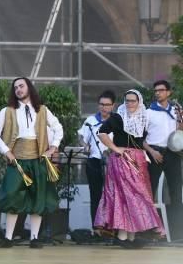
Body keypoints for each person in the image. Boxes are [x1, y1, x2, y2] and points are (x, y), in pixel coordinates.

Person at [0, 77, 63, 248]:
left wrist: (53, 147)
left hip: (38, 160)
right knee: (11, 195)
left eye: (21, 86)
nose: (18, 89)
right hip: (16, 161)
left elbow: (58, 128)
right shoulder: (7, 111)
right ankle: (8, 238)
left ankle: (34, 238)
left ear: (29, 87)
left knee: (38, 197)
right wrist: (6, 151)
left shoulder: (43, 110)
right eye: (15, 87)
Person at [95, 90, 164, 248]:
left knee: (137, 197)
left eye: (133, 101)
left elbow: (141, 140)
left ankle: (130, 237)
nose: (129, 104)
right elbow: (101, 133)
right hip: (122, 160)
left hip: (139, 160)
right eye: (127, 101)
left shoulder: (144, 116)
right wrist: (116, 148)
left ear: (138, 101)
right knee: (125, 197)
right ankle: (122, 236)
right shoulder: (118, 117)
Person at [144, 80, 183, 232]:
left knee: (176, 191)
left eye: (161, 90)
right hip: (154, 153)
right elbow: (139, 138)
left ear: (169, 92)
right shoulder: (149, 112)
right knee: (149, 191)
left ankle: (177, 230)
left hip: (173, 153)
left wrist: (180, 118)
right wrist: (152, 152)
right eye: (156, 91)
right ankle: (149, 229)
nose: (158, 93)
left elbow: (180, 133)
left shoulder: (176, 110)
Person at [77, 90, 116, 232]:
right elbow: (81, 137)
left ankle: (112, 227)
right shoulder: (91, 121)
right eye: (101, 104)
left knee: (113, 195)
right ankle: (97, 229)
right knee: (95, 195)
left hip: (113, 162)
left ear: (113, 106)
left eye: (107, 105)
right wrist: (84, 144)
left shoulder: (117, 121)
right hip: (94, 161)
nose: (103, 107)